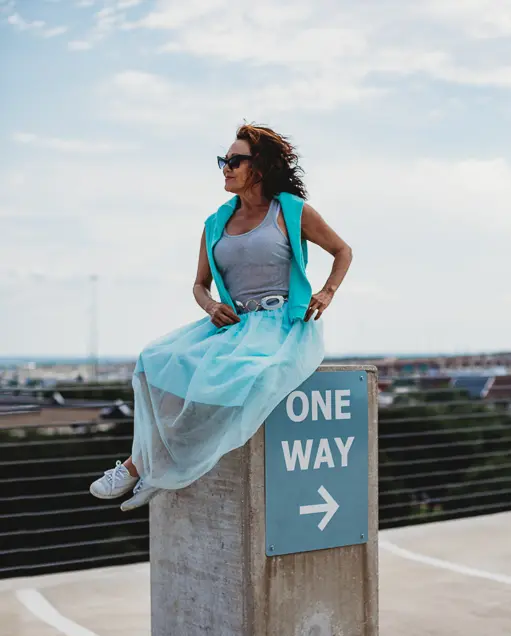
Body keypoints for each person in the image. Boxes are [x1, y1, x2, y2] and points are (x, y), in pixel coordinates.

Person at [90, 123, 353, 510]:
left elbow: (342, 251)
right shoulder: (215, 223)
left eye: (234, 161)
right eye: (223, 161)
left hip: (284, 326)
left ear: (259, 166)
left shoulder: (291, 211)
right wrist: (211, 307)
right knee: (156, 361)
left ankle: (145, 468)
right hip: (233, 325)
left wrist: (327, 292)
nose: (225, 168)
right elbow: (199, 284)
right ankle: (149, 468)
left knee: (240, 378)